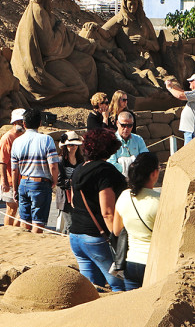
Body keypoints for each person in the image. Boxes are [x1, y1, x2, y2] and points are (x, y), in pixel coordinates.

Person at [70, 128, 127, 292]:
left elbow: (73, 202)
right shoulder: (104, 171)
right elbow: (107, 212)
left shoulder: (79, 169)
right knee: (119, 283)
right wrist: (118, 238)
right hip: (96, 237)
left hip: (76, 234)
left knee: (91, 287)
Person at [113, 152, 160, 290]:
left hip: (131, 262)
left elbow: (116, 230)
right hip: (153, 262)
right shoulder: (160, 201)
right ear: (153, 173)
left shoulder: (124, 195)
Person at [10, 108, 60, 233]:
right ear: (40, 123)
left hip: (23, 183)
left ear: (24, 124)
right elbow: (53, 165)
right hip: (40, 183)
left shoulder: (16, 142)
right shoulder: (46, 140)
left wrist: (15, 189)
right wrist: (54, 181)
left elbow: (14, 169)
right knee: (38, 223)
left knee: (25, 221)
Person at [0, 108, 26, 227]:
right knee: (11, 209)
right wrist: (4, 181)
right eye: (19, 121)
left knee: (24, 208)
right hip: (10, 179)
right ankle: (8, 232)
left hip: (23, 178)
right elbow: (1, 161)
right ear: (14, 122)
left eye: (23, 121)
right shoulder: (7, 138)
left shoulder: (25, 136)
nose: (21, 124)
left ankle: (15, 229)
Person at [165, 73, 195, 145]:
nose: (189, 82)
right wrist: (173, 85)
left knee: (190, 154)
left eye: (191, 81)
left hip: (193, 131)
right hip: (192, 131)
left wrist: (169, 87)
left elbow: (180, 95)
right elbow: (183, 92)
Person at [56, 130, 83, 233]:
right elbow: (59, 181)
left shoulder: (80, 160)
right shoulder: (61, 160)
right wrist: (73, 182)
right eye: (71, 145)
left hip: (77, 195)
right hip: (65, 197)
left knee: (76, 223)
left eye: (75, 145)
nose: (74, 147)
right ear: (65, 146)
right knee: (70, 224)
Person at [108, 112, 148, 177]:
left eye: (129, 125)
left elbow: (145, 159)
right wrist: (131, 166)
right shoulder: (111, 141)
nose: (126, 129)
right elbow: (111, 164)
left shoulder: (138, 139)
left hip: (136, 179)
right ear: (117, 123)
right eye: (123, 125)